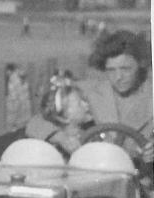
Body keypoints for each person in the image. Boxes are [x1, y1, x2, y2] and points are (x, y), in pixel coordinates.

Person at [27, 29, 153, 164]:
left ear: (141, 64)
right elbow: (36, 123)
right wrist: (61, 138)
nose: (118, 77)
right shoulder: (88, 91)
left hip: (140, 177)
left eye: (125, 69)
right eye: (111, 70)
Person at [31, 72, 95, 158]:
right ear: (64, 118)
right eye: (80, 104)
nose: (87, 105)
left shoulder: (89, 135)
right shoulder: (53, 146)